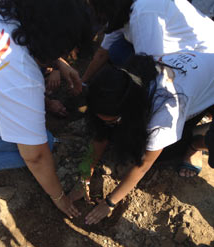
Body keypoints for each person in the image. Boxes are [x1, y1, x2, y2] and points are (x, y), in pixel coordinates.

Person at [0, 0, 92, 219]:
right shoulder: (20, 74)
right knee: (41, 144)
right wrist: (59, 198)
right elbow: (35, 156)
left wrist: (59, 63)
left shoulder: (3, 6)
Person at [69, 51, 214, 224]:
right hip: (198, 78)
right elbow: (102, 132)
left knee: (166, 154)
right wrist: (85, 175)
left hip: (205, 92)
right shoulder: (122, 80)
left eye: (114, 120)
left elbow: (144, 164)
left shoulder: (166, 111)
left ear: (132, 111)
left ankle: (197, 140)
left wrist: (109, 203)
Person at [82, 0, 214, 81]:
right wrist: (83, 81)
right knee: (117, 50)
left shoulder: (143, 13)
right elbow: (102, 52)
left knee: (136, 65)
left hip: (200, 56)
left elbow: (150, 66)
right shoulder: (123, 8)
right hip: (172, 43)